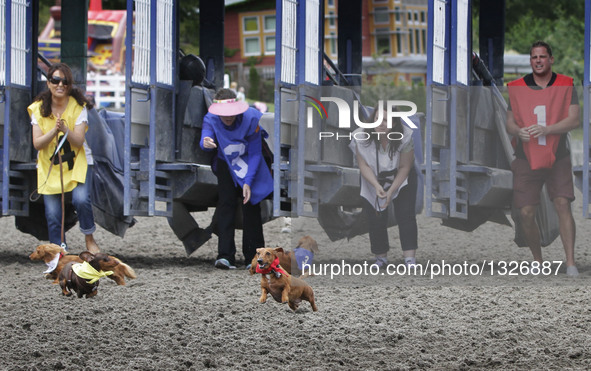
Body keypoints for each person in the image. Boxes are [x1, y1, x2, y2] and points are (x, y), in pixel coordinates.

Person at [506, 41, 580, 276]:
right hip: (526, 157)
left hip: (558, 154)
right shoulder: (518, 88)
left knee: (562, 203)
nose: (538, 60)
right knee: (526, 212)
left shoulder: (566, 84)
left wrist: (548, 129)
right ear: (531, 61)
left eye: (542, 56)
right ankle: (538, 260)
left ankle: (570, 262)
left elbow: (574, 120)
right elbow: (509, 121)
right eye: (534, 57)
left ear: (551, 59)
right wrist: (518, 132)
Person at [28, 63, 100, 253]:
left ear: (69, 85)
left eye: (64, 81)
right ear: (49, 82)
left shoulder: (78, 106)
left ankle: (89, 238)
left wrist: (65, 129)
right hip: (49, 166)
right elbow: (37, 143)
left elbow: (78, 141)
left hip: (77, 162)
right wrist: (53, 131)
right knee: (52, 213)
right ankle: (59, 251)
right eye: (55, 80)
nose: (60, 84)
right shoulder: (37, 108)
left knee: (81, 199)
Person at [200, 88, 272, 269]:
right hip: (226, 164)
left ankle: (254, 258)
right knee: (226, 204)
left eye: (232, 113)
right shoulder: (211, 118)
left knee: (251, 206)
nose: (228, 117)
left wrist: (248, 181)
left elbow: (256, 153)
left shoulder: (251, 119)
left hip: (249, 163)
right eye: (224, 114)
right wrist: (206, 142)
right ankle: (225, 256)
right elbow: (205, 137)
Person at [349, 104, 418, 268]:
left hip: (401, 177)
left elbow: (405, 167)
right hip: (372, 177)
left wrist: (391, 190)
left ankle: (409, 259)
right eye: (377, 119)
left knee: (406, 215)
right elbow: (363, 165)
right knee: (375, 216)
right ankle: (380, 258)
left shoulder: (405, 136)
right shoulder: (361, 136)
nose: (380, 123)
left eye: (385, 120)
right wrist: (376, 186)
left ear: (394, 124)